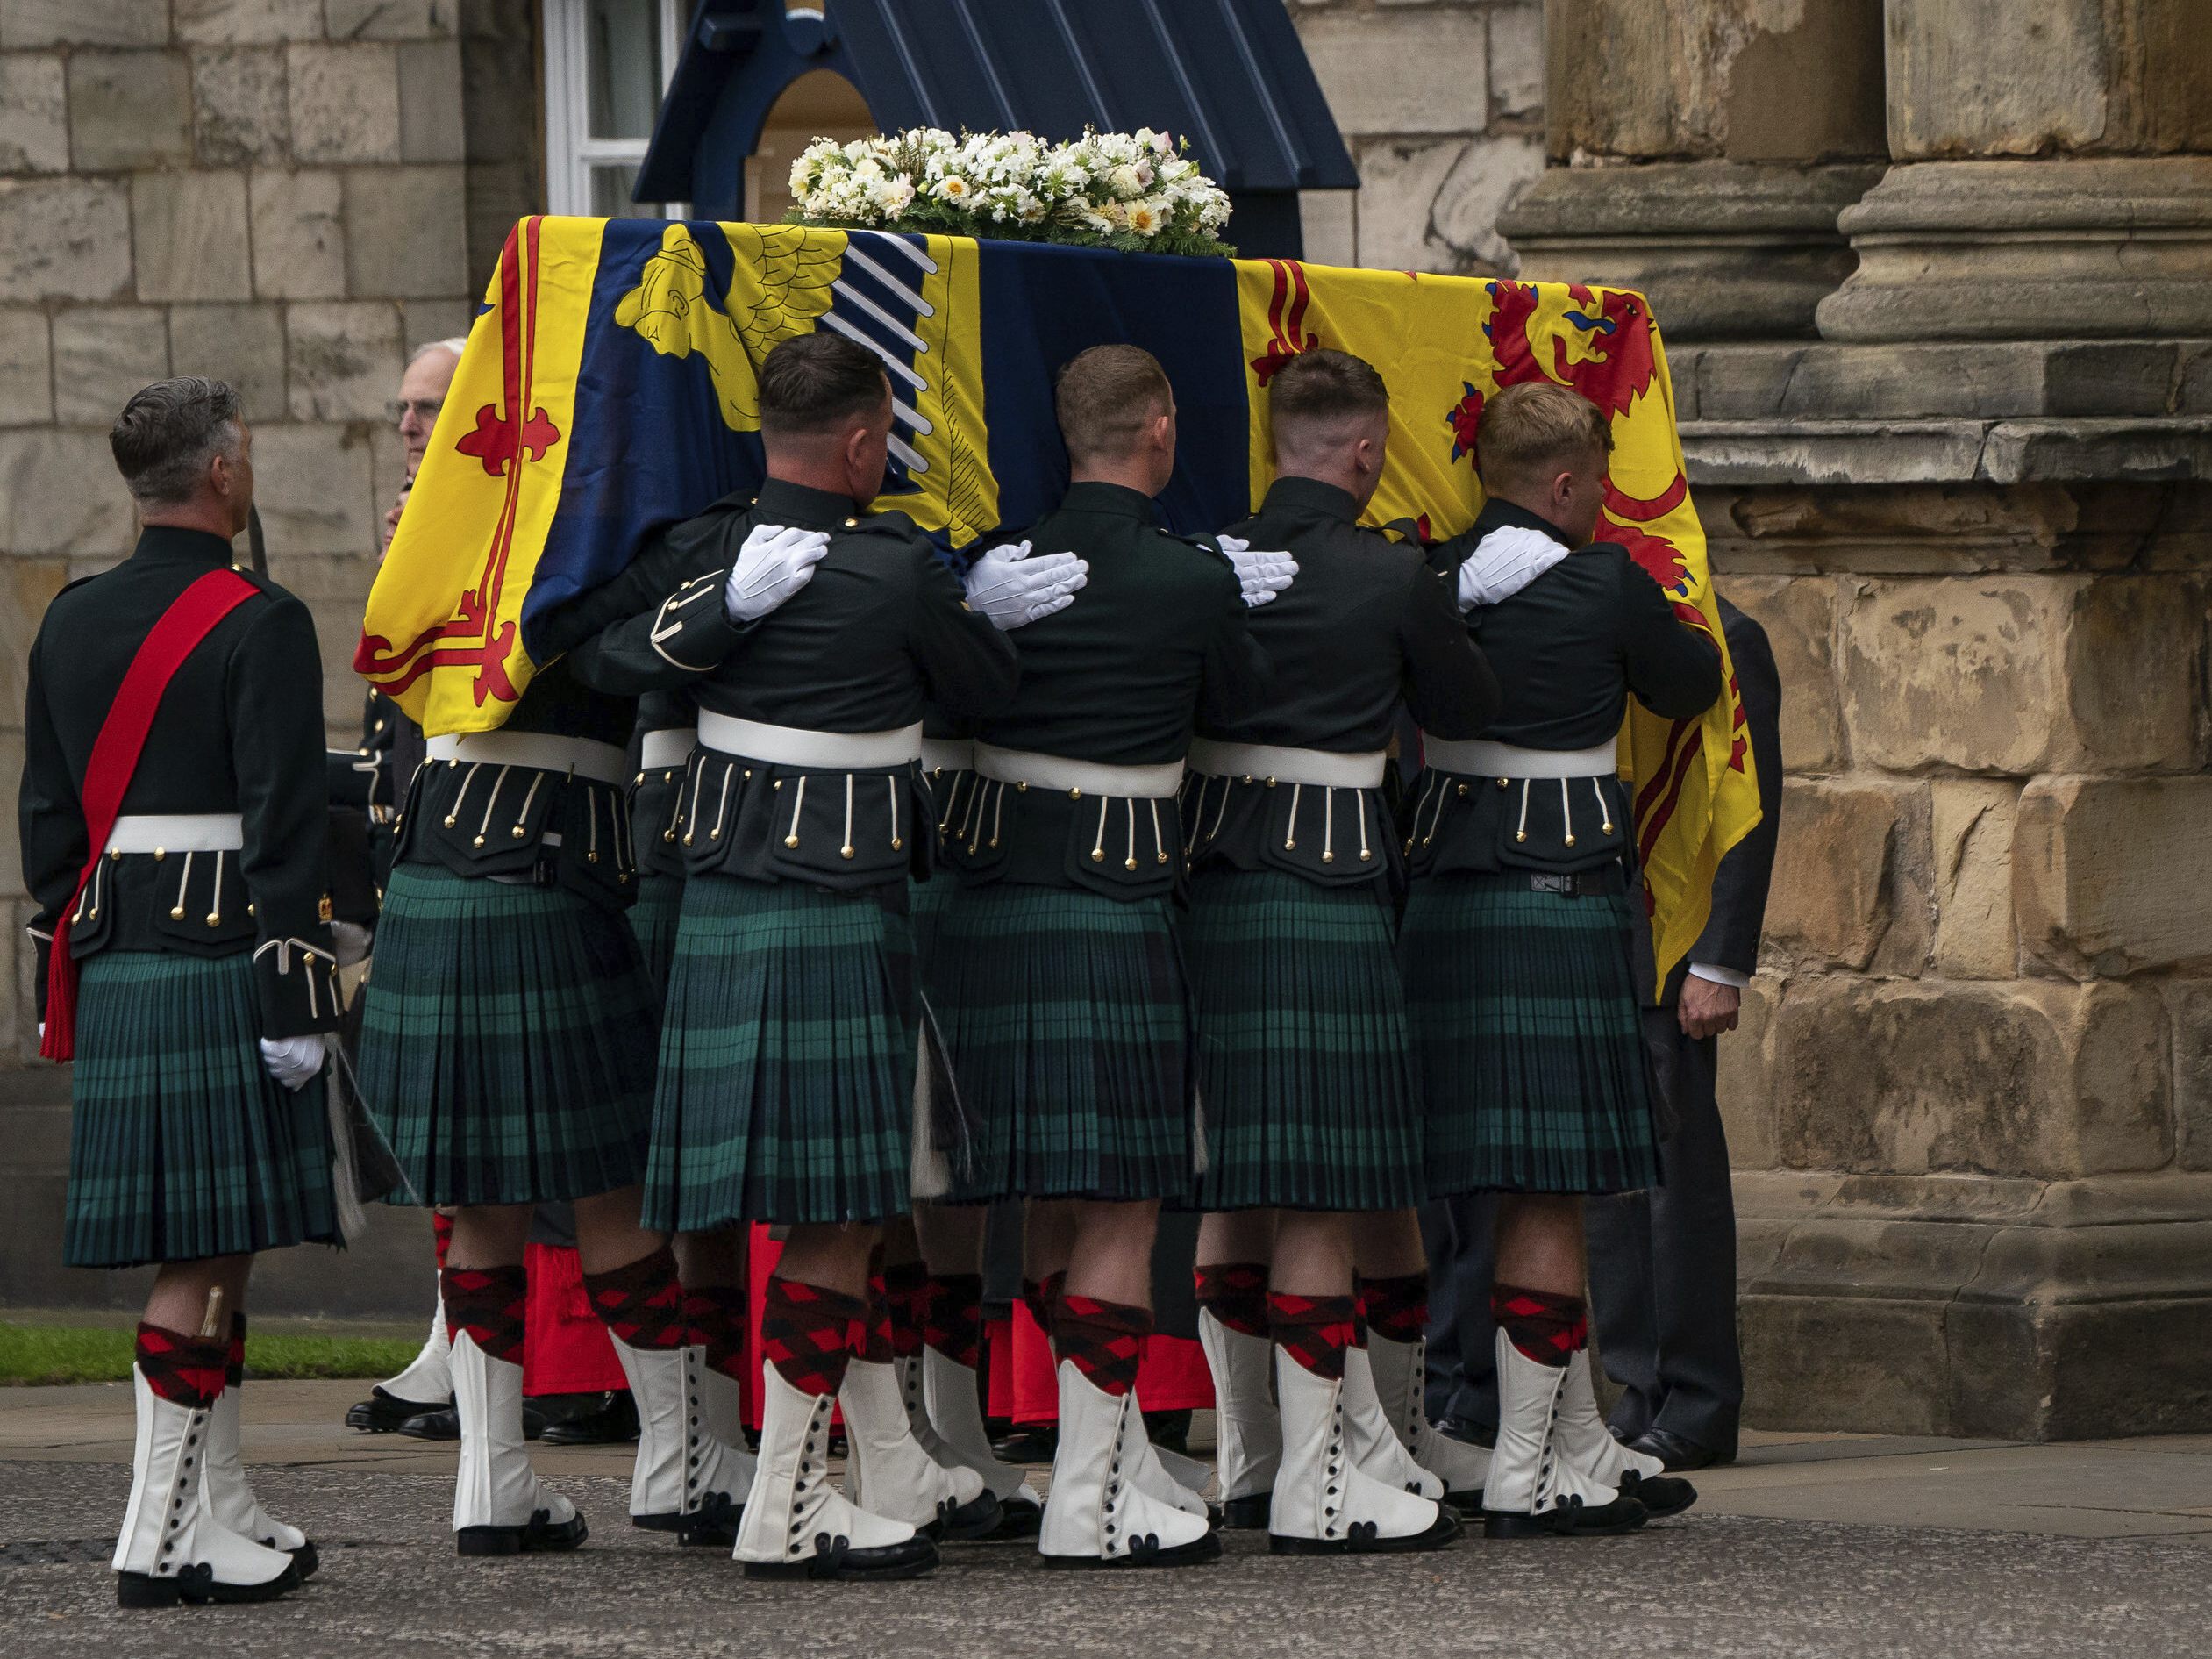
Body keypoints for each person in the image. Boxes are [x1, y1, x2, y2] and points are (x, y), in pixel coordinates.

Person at [555, 330, 1075, 1580]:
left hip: (727, 905)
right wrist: (974, 609)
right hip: (839, 910)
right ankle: (787, 1500)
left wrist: (709, 615)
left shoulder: (709, 552)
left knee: (811, 1206)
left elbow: (593, 654)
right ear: (859, 444)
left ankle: (877, 1461)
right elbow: (987, 689)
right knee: (839, 1214)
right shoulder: (896, 570)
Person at [929, 344, 1289, 1570]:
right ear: (1160, 428)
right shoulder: (1186, 579)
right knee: (1124, 1193)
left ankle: (1114, 1450)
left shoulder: (997, 568)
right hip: (1114, 898)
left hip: (989, 901)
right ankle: (1088, 1491)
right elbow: (1242, 707)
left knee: (1040, 1184)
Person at [21, 378, 342, 1606]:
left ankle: (218, 1498)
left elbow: (49, 822)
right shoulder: (259, 619)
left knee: (221, 1251)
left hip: (120, 957)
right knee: (202, 1256)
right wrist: (295, 986)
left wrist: (87, 925)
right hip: (225, 957)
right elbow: (282, 820)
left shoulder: (70, 616)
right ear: (219, 472)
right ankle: (158, 1532)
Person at [1181, 348, 1498, 1553]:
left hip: (1210, 881)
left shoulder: (1207, 564)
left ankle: (1249, 1459)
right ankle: (1321, 1473)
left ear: (1277, 444)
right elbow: (1464, 709)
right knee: (1318, 1177)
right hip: (1329, 882)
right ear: (1365, 452)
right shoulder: (1388, 570)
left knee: (1236, 1171)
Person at [1405, 379, 1720, 1539]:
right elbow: (1688, 685)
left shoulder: (1428, 575)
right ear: (1565, 482)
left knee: (1471, 1166)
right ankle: (1528, 1464)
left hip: (1441, 886)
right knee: (1548, 1176)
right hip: (1557, 890)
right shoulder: (1600, 579)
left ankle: (1573, 1429)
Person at [343, 338, 634, 1453]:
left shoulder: (528, 536)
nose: (415, 425)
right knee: (486, 1182)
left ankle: (555, 1418)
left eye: (433, 406)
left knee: (548, 1181)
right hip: (447, 858)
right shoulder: (429, 537)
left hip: (527, 856)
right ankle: (580, 1438)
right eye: (405, 406)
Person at [1586, 594, 1782, 1472]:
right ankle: (1636, 1387)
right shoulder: (1591, 611)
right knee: (1610, 1196)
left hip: (1674, 941)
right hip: (1599, 938)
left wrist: (1719, 960)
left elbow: (1745, 804)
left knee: (1676, 1187)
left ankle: (1696, 1397)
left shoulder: (1724, 633)